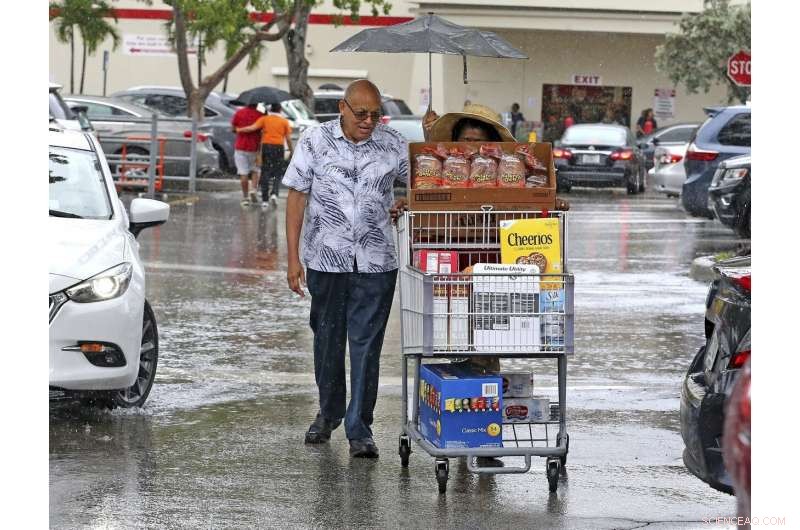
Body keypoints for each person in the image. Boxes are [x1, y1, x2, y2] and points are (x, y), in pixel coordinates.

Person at [282, 79, 408, 459]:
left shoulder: (394, 143)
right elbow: (296, 197)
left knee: (367, 347)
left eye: (375, 114)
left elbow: (423, 184)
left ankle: (360, 428)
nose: (369, 121)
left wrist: (404, 201)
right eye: (361, 113)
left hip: (377, 262)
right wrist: (292, 259)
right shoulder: (314, 140)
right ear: (342, 107)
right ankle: (329, 412)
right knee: (327, 341)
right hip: (325, 259)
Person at [236, 102, 293, 207]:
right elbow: (288, 139)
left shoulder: (265, 119)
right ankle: (274, 194)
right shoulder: (284, 121)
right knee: (277, 172)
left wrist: (240, 129)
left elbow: (252, 128)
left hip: (266, 147)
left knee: (265, 171)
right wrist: (291, 151)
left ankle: (265, 200)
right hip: (278, 147)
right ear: (280, 110)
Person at [230, 103, 263, 206]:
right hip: (254, 147)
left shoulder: (239, 113)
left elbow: (232, 129)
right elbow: (263, 131)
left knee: (243, 173)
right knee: (255, 170)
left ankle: (245, 197)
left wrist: (239, 130)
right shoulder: (260, 115)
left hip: (240, 147)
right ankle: (253, 190)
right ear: (257, 104)